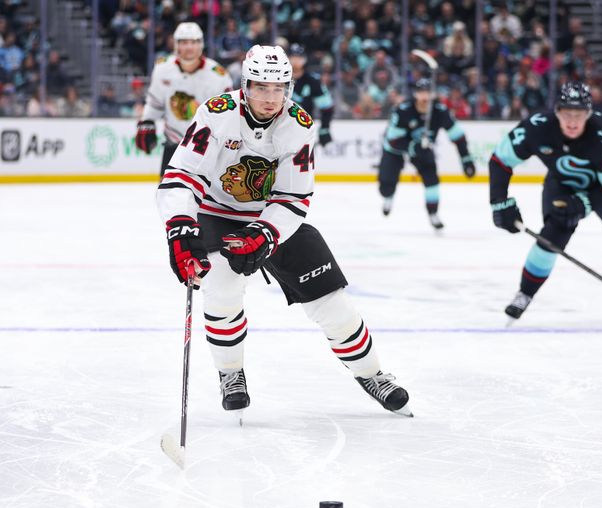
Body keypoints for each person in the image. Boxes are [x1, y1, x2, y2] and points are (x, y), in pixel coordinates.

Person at [155, 44, 412, 417]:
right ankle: (231, 374)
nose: (271, 97)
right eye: (261, 87)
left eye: (279, 88)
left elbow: (293, 197)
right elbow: (181, 176)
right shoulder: (216, 113)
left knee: (333, 303)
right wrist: (180, 229)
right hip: (216, 214)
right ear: (245, 85)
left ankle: (372, 374)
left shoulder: (299, 124)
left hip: (273, 218)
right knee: (223, 291)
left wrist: (264, 233)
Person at [489, 81, 602, 322]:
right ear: (556, 112)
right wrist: (499, 202)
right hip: (563, 186)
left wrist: (583, 205)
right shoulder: (538, 128)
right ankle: (524, 294)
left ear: (589, 114)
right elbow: (500, 161)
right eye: (567, 114)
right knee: (550, 238)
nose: (572, 122)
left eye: (578, 115)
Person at [378, 78, 476, 230]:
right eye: (420, 93)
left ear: (432, 94)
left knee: (432, 177)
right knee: (386, 184)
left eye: (427, 93)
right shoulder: (403, 110)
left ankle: (433, 213)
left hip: (422, 149)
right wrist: (412, 146)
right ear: (415, 94)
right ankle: (389, 196)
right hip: (397, 149)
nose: (424, 97)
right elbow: (392, 141)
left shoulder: (440, 111)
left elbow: (458, 137)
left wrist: (466, 159)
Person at [136, 22, 233, 175]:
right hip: (173, 144)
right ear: (176, 45)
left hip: (206, 148)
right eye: (184, 42)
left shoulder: (218, 75)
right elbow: (155, 102)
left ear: (201, 45)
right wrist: (147, 122)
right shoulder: (162, 68)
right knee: (168, 196)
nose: (189, 47)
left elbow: (228, 115)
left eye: (193, 42)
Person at [287, 44, 334, 147]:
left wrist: (324, 129)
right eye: (293, 56)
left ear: (304, 59)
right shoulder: (278, 79)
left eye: (299, 57)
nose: (295, 60)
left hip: (303, 130)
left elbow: (327, 107)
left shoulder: (313, 81)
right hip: (278, 128)